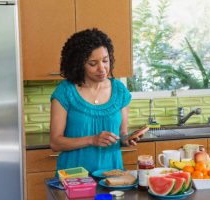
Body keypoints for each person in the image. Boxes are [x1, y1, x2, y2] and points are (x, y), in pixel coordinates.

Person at [50, 28, 149, 173]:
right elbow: (55, 142)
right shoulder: (65, 92)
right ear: (79, 64)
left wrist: (126, 139)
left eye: (105, 60)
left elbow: (121, 133)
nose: (102, 68)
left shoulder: (120, 91)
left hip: (112, 176)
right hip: (74, 179)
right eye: (92, 63)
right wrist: (92, 140)